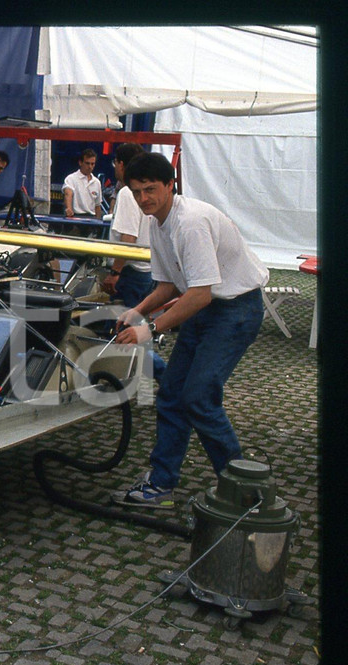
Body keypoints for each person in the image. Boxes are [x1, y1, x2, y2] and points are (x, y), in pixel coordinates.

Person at [112, 152, 268, 508]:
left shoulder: (191, 222)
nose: (143, 199)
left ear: (170, 185)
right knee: (172, 392)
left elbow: (198, 295)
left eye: (150, 189)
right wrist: (135, 311)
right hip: (208, 309)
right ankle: (162, 483)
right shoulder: (156, 223)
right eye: (136, 192)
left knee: (198, 397)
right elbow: (168, 286)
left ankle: (243, 491)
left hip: (235, 310)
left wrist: (147, 330)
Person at [102, 143, 166, 381]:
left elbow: (128, 238)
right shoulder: (140, 192)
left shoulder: (129, 193)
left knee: (126, 332)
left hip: (131, 272)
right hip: (144, 270)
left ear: (120, 164)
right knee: (128, 330)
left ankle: (166, 377)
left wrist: (115, 271)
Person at [62, 148, 102, 218]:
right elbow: (68, 193)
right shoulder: (71, 178)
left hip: (91, 220)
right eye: (87, 163)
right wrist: (69, 209)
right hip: (75, 218)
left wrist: (98, 224)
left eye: (92, 164)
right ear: (80, 163)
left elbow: (97, 206)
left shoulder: (97, 182)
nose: (90, 167)